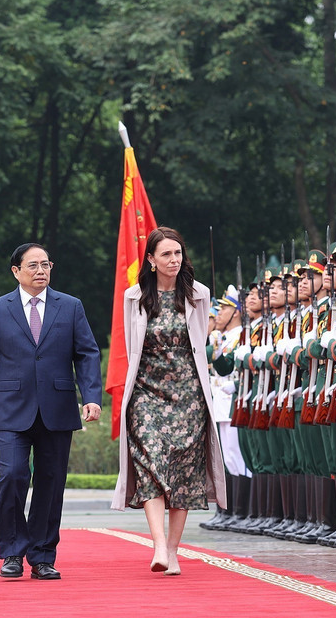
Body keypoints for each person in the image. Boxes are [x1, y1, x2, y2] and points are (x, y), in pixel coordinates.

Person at [0, 242, 103, 581]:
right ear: (16, 271)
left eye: (45, 264)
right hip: (10, 410)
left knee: (51, 481)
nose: (40, 271)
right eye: (32, 265)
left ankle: (43, 555)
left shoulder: (70, 306)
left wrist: (91, 396)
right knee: (13, 475)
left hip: (57, 408)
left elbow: (87, 353)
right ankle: (13, 552)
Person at [111, 226, 226, 576]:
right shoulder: (135, 297)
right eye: (166, 254)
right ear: (151, 259)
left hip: (189, 395)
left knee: (183, 473)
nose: (174, 260)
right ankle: (158, 543)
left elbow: (199, 343)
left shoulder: (198, 294)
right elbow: (131, 346)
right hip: (146, 391)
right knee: (149, 462)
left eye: (178, 254)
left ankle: (173, 551)